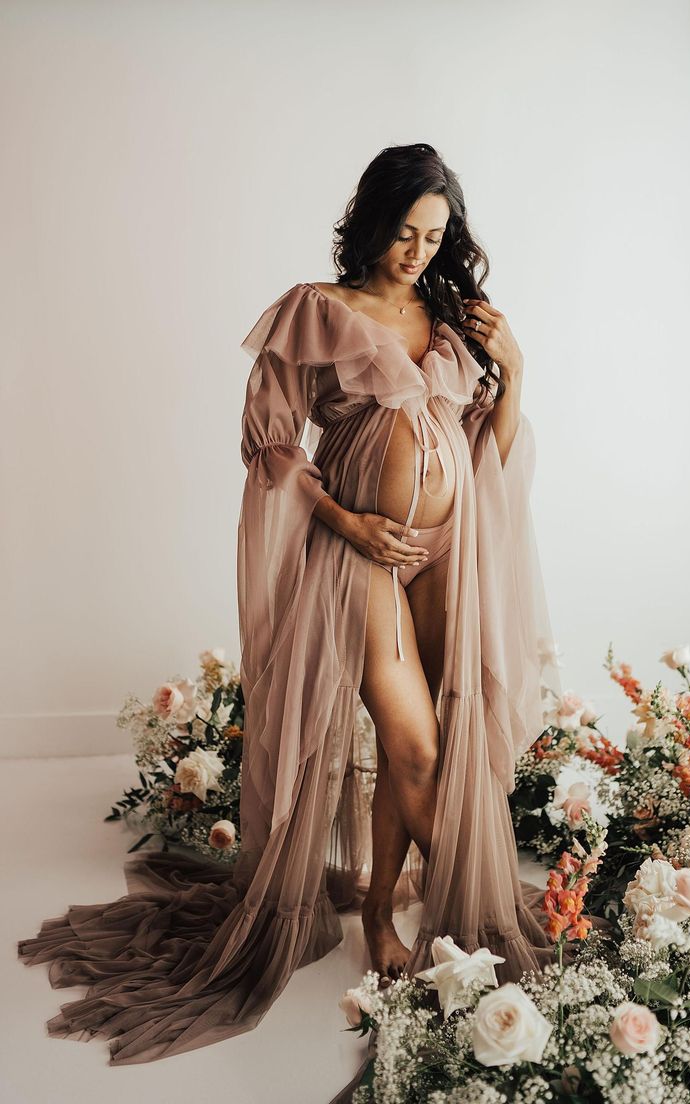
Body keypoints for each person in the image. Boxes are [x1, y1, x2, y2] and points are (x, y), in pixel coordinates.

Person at [17, 142, 569, 1067]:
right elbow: (270, 443)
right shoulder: (319, 311)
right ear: (371, 221)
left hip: (448, 550)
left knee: (425, 733)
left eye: (435, 236)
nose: (418, 252)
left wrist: (516, 373)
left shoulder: (455, 316)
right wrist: (348, 522)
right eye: (404, 232)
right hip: (361, 553)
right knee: (422, 744)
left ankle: (391, 921)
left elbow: (491, 447)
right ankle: (479, 923)